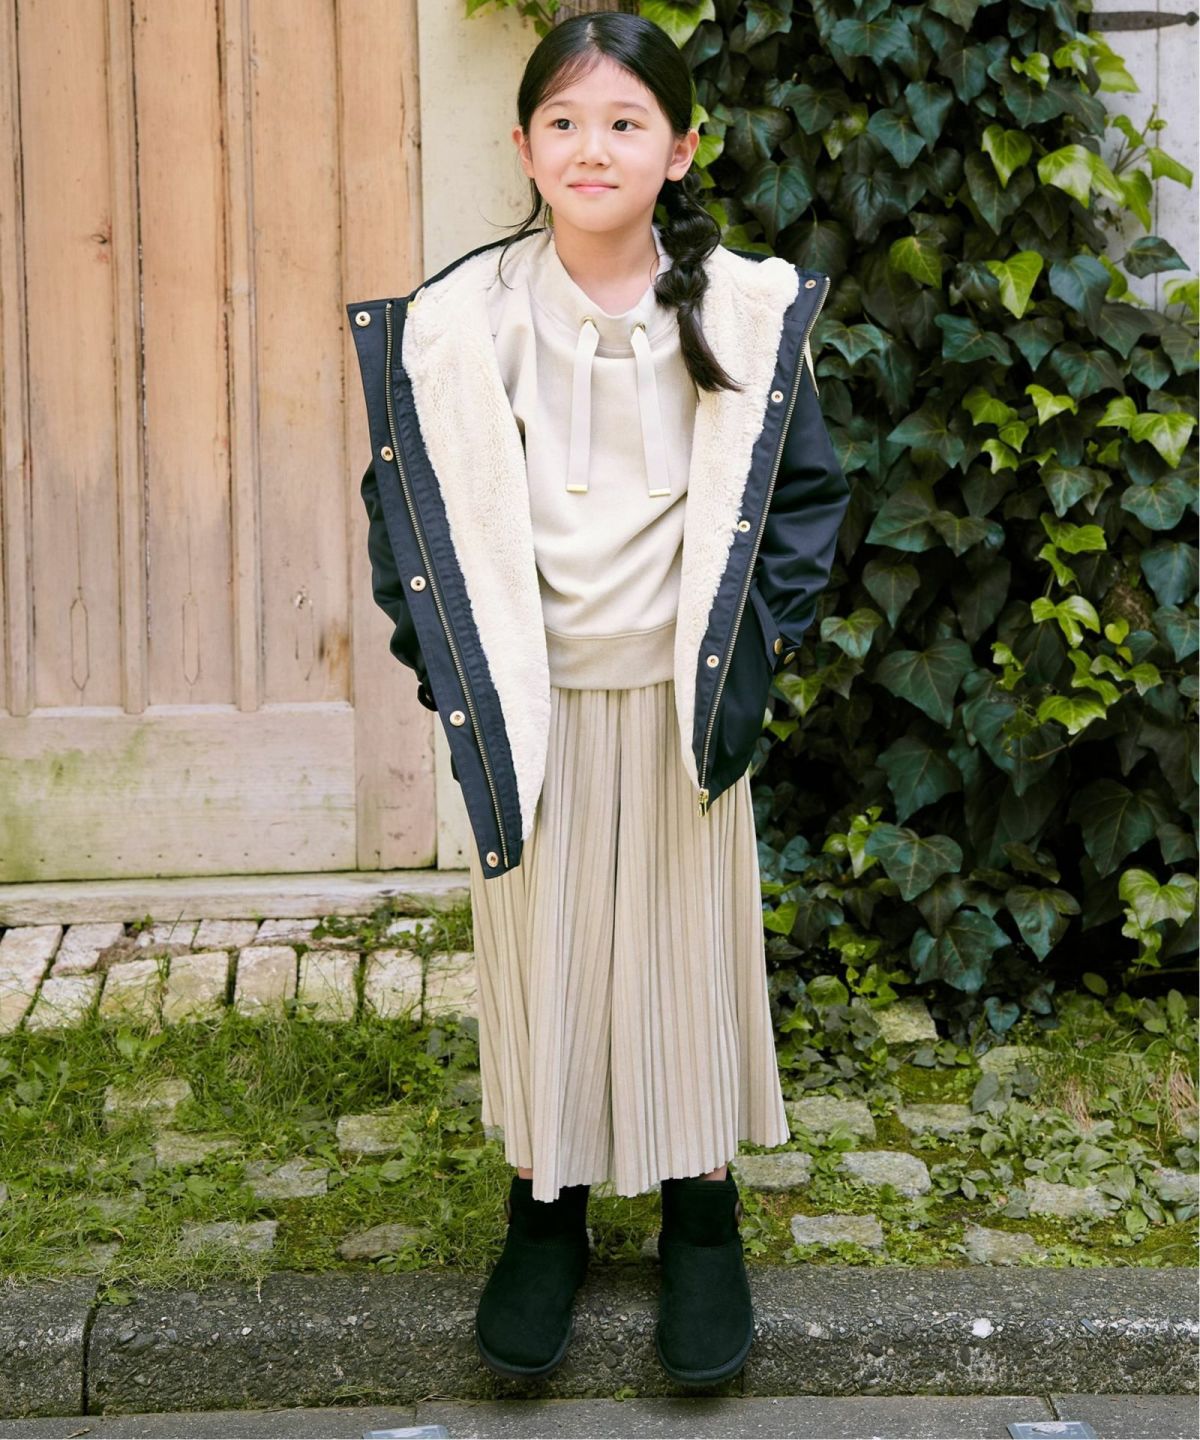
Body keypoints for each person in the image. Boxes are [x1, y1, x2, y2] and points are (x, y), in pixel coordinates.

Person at [346, 11, 849, 1391]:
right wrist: (449, 668)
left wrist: (753, 662)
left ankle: (701, 1213)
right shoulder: (461, 325)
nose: (592, 148)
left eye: (627, 123)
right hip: (537, 704)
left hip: (682, 703)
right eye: (563, 123)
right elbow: (407, 514)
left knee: (686, 957)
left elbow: (802, 501)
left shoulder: (745, 311)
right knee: (544, 956)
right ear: (522, 147)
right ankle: (545, 1210)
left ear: (681, 150)